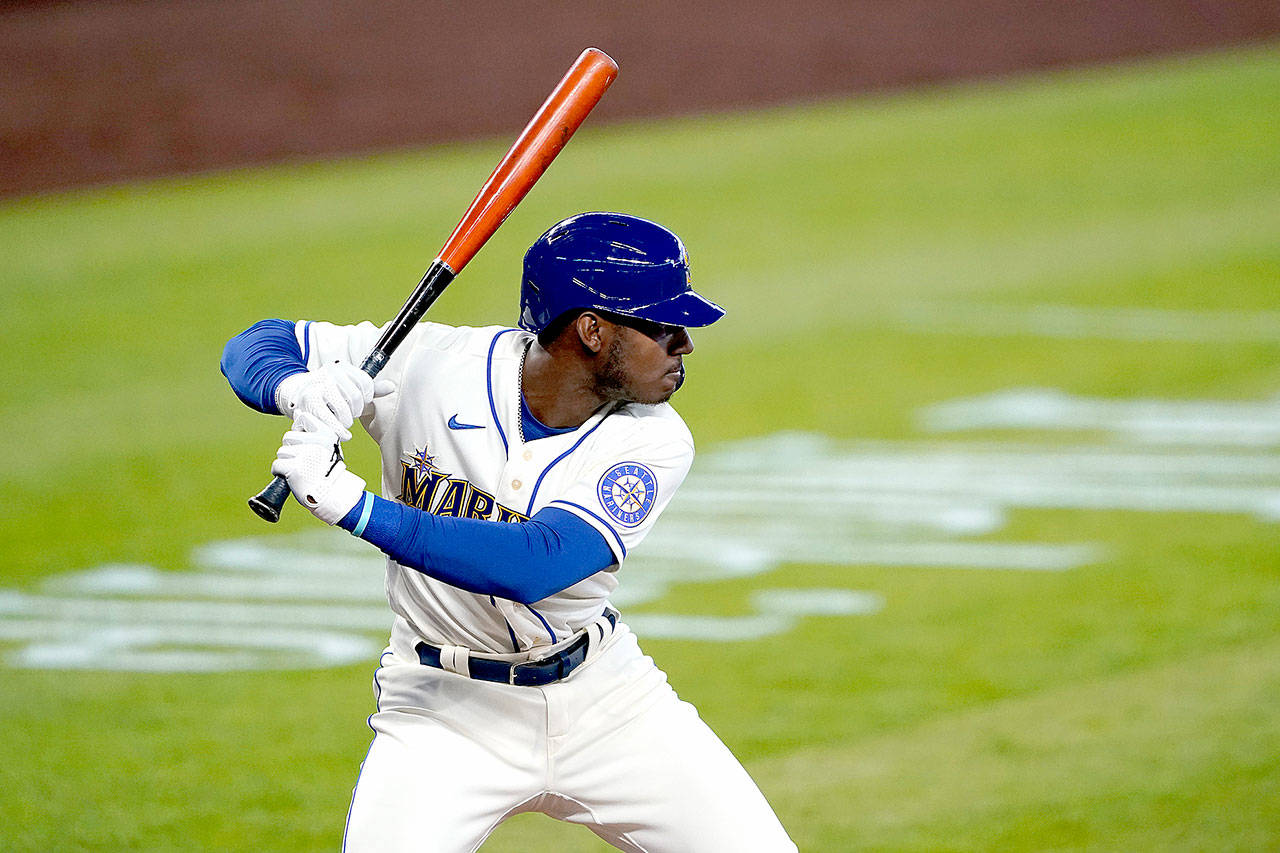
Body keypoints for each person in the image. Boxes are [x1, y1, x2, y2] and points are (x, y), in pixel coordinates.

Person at [220, 212, 796, 851]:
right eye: (662, 325)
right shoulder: (430, 364)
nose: (684, 343)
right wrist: (297, 387)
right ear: (592, 329)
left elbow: (535, 564)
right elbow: (254, 343)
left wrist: (353, 507)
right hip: (442, 712)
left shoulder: (654, 438)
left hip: (605, 705)